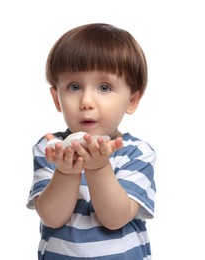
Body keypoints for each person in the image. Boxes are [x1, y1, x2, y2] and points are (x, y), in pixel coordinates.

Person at [27, 23, 156, 260]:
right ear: (57, 99)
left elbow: (115, 218)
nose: (86, 101)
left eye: (104, 87)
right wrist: (65, 172)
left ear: (132, 100)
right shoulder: (51, 149)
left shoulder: (136, 152)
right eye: (74, 87)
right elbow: (51, 217)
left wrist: (98, 167)